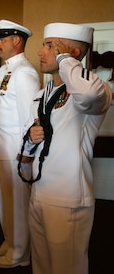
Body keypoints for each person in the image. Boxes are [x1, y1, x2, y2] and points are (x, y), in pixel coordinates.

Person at [18, 23, 112, 274]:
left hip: (67, 197)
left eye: (51, 47)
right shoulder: (41, 94)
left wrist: (65, 60)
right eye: (45, 45)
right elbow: (27, 144)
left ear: (74, 55)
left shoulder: (94, 89)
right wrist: (29, 139)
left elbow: (89, 95)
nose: (41, 51)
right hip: (39, 191)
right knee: (41, 266)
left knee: (66, 268)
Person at [0, 19, 40, 268]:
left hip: (15, 150)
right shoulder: (7, 70)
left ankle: (21, 252)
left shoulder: (24, 73)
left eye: (2, 39)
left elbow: (29, 118)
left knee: (18, 203)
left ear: (17, 41)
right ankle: (11, 242)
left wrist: (26, 153)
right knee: (6, 202)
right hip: (3, 147)